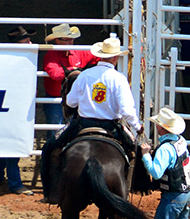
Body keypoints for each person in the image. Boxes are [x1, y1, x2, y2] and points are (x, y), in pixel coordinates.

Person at [40, 35, 142, 203]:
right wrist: (137, 127)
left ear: (100, 55)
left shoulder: (84, 75)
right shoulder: (119, 79)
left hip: (82, 124)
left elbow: (71, 101)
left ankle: (53, 193)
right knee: (133, 150)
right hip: (111, 126)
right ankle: (127, 191)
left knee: (51, 148)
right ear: (115, 57)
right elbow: (126, 110)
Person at [0, 26, 36, 195]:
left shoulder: (9, 59)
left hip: (6, 103)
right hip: (12, 104)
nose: (30, 43)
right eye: (26, 41)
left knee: (6, 141)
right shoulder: (16, 61)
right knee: (12, 143)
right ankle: (15, 184)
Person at [39, 22, 94, 140]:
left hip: (69, 98)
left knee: (70, 129)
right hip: (57, 99)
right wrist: (76, 71)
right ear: (57, 41)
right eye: (67, 40)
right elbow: (55, 74)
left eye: (71, 40)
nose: (70, 42)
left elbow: (98, 56)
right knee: (56, 132)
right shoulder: (51, 55)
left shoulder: (78, 52)